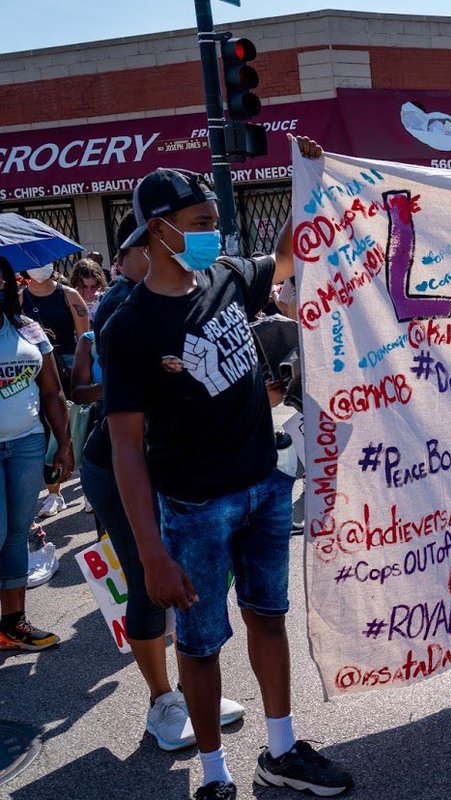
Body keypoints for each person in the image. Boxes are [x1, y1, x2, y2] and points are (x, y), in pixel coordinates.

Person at [102, 139, 352, 799]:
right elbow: (126, 446)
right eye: (202, 223)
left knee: (268, 617)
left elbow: (295, 250)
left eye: (216, 221)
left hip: (264, 489)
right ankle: (213, 777)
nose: (216, 234)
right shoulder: (127, 329)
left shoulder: (230, 277)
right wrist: (151, 554)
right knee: (202, 643)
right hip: (193, 510)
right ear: (159, 230)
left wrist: (313, 175)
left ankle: (280, 749)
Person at [75, 211, 247, 752]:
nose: (121, 262)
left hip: (176, 462)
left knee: (191, 581)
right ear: (149, 242)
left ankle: (190, 687)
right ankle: (161, 701)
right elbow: (130, 430)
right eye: (126, 251)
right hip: (121, 466)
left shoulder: (199, 292)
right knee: (152, 580)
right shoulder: (119, 312)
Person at [0, 256, 73, 650]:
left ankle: (12, 624)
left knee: (16, 534)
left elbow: (51, 390)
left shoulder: (26, 327)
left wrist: (64, 443)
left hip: (27, 443)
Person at [20, 262, 89, 518]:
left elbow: (85, 335)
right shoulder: (20, 299)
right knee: (47, 429)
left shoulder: (69, 295)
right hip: (39, 372)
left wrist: (85, 371)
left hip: (70, 367)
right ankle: (54, 493)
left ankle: (88, 490)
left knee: (80, 427)